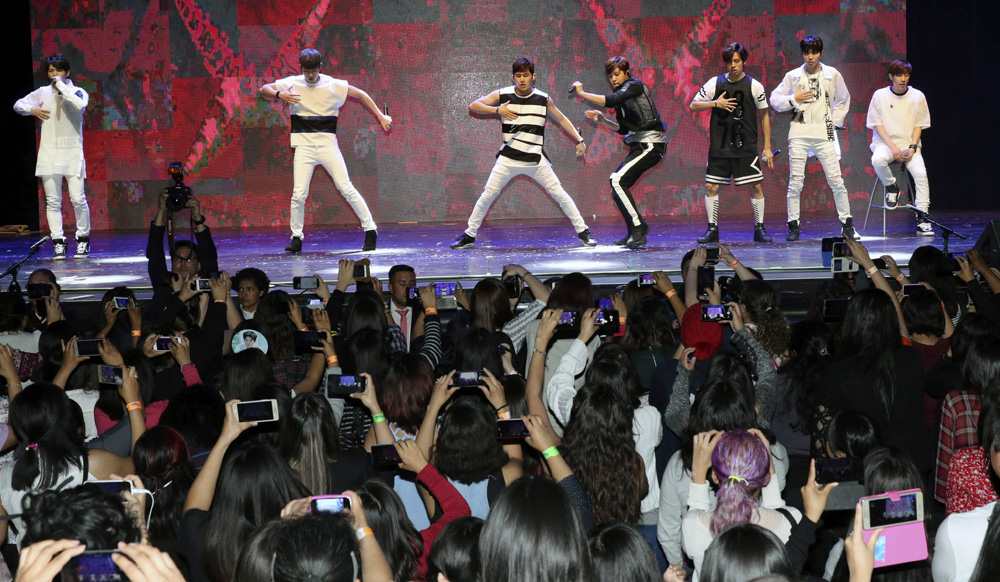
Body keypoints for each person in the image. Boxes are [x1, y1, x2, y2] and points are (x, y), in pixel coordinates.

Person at [450, 57, 595, 249]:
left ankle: (583, 232)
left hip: (535, 160)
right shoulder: (503, 95)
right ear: (513, 78)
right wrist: (497, 110)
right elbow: (473, 105)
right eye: (518, 76)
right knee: (488, 195)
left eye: (525, 75)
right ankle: (469, 235)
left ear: (533, 77)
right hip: (508, 159)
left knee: (560, 194)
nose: (522, 80)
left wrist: (579, 140)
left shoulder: (543, 98)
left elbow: (561, 119)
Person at [259, 48, 391, 253]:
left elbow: (361, 94)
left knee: (346, 187)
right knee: (299, 194)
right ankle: (296, 238)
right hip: (303, 146)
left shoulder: (332, 84)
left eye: (313, 70)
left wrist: (381, 117)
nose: (310, 75)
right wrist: (280, 94)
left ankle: (370, 229)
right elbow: (264, 88)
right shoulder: (293, 83)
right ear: (301, 69)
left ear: (320, 67)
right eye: (306, 71)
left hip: (328, 145)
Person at [769, 36, 857, 242]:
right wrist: (794, 99)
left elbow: (844, 99)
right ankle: (793, 226)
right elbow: (775, 99)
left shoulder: (832, 74)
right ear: (802, 54)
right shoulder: (792, 76)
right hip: (799, 134)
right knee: (795, 183)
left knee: (836, 180)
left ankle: (847, 224)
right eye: (806, 52)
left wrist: (833, 123)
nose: (810, 57)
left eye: (814, 52)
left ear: (821, 53)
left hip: (823, 134)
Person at [572, 56, 666, 246]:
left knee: (616, 180)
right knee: (617, 187)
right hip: (639, 144)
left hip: (651, 144)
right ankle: (634, 230)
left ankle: (639, 228)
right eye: (610, 76)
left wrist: (582, 93)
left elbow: (611, 100)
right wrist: (602, 121)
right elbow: (624, 129)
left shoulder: (634, 85)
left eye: (617, 74)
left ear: (626, 73)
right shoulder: (622, 95)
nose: (613, 79)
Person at [689, 42, 774, 244]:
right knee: (711, 186)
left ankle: (760, 228)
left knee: (755, 186)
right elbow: (693, 105)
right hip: (720, 146)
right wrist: (715, 103)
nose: (733, 65)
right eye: (729, 62)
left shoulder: (754, 85)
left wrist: (767, 147)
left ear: (744, 61)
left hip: (746, 146)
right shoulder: (715, 83)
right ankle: (712, 229)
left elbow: (764, 115)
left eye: (736, 61)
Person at [13, 54, 91, 259]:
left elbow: (80, 105)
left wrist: (62, 88)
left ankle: (83, 239)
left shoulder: (77, 91)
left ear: (67, 72)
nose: (53, 74)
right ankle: (59, 242)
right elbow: (18, 104)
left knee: (78, 199)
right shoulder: (42, 92)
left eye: (58, 70)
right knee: (53, 202)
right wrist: (31, 109)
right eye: (50, 71)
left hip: (72, 153)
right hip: (49, 153)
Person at [866, 60, 932, 234]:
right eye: (899, 75)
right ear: (891, 77)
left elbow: (919, 125)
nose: (903, 79)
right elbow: (876, 125)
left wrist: (912, 147)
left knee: (921, 174)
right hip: (885, 144)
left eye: (906, 75)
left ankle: (923, 216)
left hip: (910, 145)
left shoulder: (918, 96)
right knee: (878, 160)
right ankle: (891, 187)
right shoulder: (880, 95)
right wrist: (893, 148)